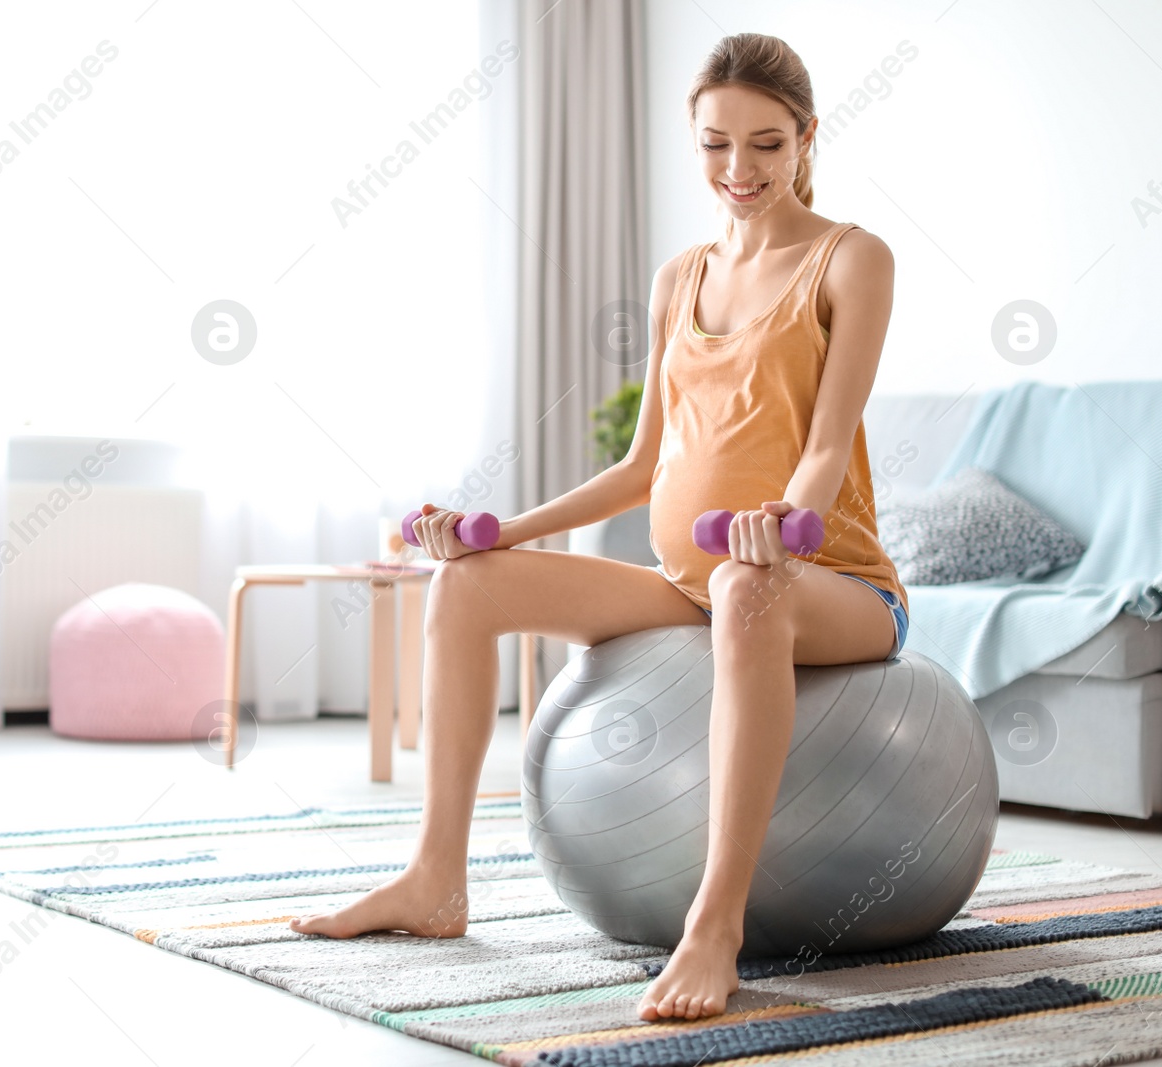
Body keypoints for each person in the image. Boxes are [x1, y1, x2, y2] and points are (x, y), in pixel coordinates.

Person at [289, 32, 909, 1024]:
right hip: (687, 584)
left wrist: (783, 521)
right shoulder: (679, 278)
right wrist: (498, 533)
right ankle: (434, 880)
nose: (738, 171)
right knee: (468, 583)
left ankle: (715, 924)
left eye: (764, 144)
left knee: (747, 588)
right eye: (714, 145)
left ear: (805, 138)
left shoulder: (850, 258)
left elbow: (828, 443)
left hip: (826, 582)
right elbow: (637, 466)